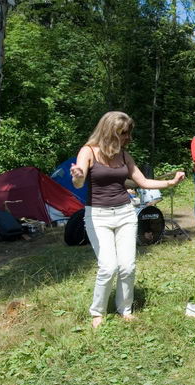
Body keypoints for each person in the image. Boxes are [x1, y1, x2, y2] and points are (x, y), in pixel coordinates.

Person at [70, 111, 185, 328]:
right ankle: (97, 312)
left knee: (127, 266)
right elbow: (79, 181)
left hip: (125, 213)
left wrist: (170, 183)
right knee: (108, 267)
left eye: (128, 133)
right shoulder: (88, 151)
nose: (127, 138)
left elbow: (143, 182)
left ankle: (125, 309)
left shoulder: (123, 155)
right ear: (109, 131)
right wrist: (77, 176)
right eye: (123, 133)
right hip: (98, 216)